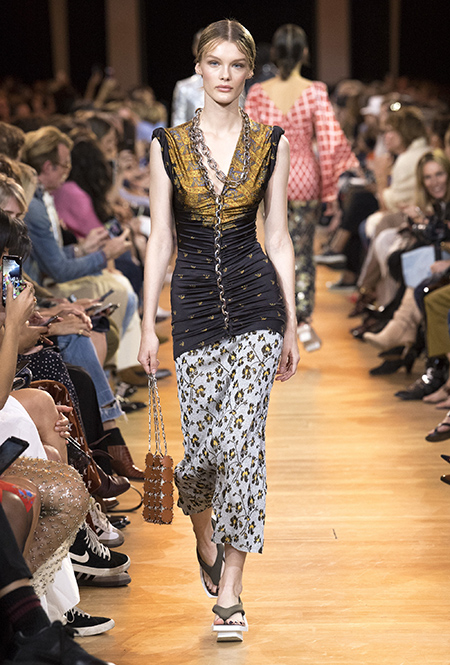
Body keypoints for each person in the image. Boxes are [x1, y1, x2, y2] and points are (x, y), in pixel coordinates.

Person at [138, 19, 299, 640]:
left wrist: (291, 322)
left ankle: (231, 589)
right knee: (201, 455)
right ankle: (203, 532)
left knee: (241, 445)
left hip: (256, 303)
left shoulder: (271, 144)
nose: (225, 74)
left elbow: (278, 237)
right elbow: (159, 240)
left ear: (250, 71)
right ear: (198, 68)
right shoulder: (167, 145)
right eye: (215, 62)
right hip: (195, 307)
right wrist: (148, 325)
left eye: (236, 64)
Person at [245, 24, 359, 351]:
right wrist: (330, 191)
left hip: (270, 178)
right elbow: (330, 143)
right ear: (305, 53)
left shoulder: (258, 93)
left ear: (275, 53)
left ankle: (274, 314)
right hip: (305, 177)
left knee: (271, 245)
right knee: (302, 250)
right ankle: (303, 320)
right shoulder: (315, 91)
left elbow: (248, 142)